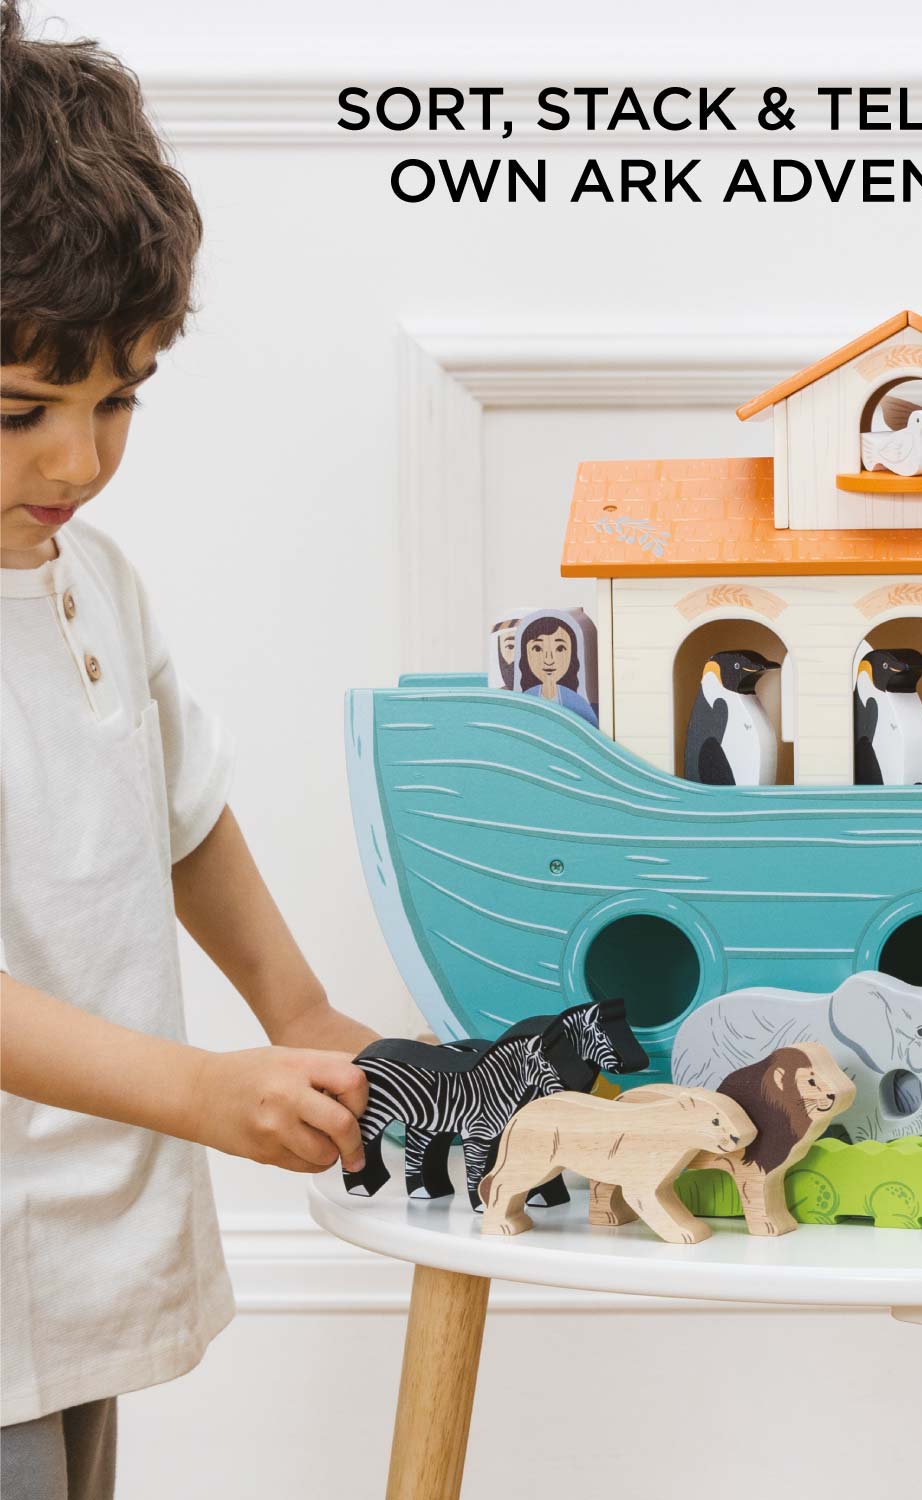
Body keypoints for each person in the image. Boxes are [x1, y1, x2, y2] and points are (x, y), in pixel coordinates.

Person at [0, 7, 376, 1494]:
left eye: (119, 401)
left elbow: (177, 805)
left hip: (85, 1251)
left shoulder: (92, 577)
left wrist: (296, 1005)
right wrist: (200, 1090)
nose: (78, 461)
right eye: (21, 412)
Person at [517, 613, 599, 726]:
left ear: (572, 654)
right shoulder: (525, 699)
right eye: (537, 648)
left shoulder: (576, 701)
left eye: (560, 649)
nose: (549, 660)